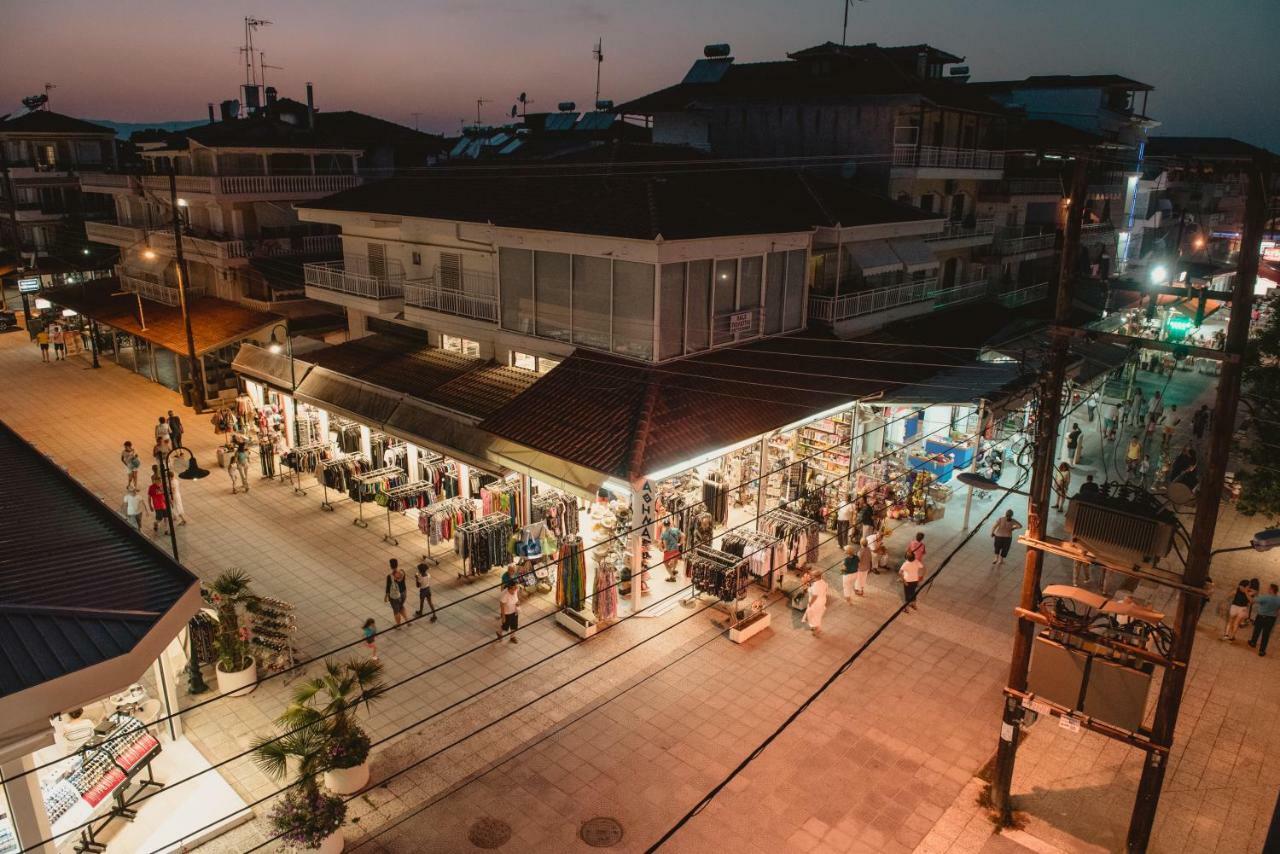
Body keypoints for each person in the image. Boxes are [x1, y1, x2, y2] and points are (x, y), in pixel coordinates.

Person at [1248, 583, 1279, 657]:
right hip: (1271, 619)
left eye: (1269, 588)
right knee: (1266, 635)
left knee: (1257, 630)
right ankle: (1262, 651)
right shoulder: (1279, 599)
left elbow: (1252, 601)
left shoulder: (1266, 597)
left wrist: (1246, 592)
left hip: (1261, 617)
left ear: (1271, 589)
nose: (1268, 589)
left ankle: (1253, 643)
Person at [801, 571, 829, 637]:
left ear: (815, 577)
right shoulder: (823, 582)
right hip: (822, 600)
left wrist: (810, 603)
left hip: (816, 603)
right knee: (817, 615)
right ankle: (815, 628)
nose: (811, 577)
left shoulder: (816, 585)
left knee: (814, 616)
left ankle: (817, 630)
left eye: (812, 576)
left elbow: (815, 596)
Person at [385, 560, 408, 627]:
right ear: (397, 564)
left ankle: (398, 625)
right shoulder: (402, 572)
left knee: (396, 610)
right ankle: (407, 621)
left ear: (390, 566)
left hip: (395, 596)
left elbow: (388, 587)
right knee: (401, 606)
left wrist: (386, 596)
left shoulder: (390, 576)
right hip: (404, 593)